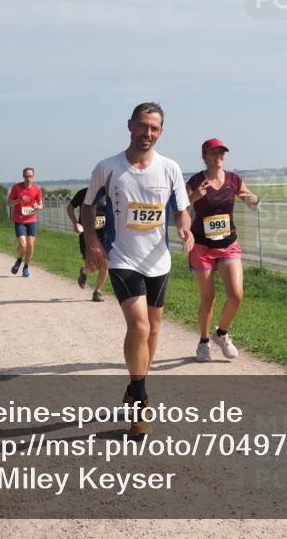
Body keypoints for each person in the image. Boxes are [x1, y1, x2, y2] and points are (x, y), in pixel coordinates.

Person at [81, 102, 193, 439]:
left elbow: (182, 210)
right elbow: (87, 207)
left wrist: (185, 228)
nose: (147, 133)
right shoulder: (108, 167)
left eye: (154, 128)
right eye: (142, 126)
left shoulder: (170, 168)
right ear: (130, 125)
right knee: (139, 325)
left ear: (161, 132)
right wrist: (92, 241)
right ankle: (141, 399)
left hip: (158, 260)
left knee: (153, 330)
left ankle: (135, 386)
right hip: (122, 258)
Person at [186, 139, 259, 362]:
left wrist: (252, 200)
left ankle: (222, 334)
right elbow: (181, 207)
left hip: (228, 245)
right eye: (214, 152)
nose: (219, 156)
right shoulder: (196, 181)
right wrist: (194, 196)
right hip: (202, 246)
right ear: (205, 156)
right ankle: (204, 342)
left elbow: (251, 199)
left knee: (236, 295)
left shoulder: (233, 180)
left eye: (222, 153)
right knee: (209, 298)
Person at [66, 186, 110, 302]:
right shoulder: (83, 193)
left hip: (104, 233)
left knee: (106, 263)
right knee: (93, 266)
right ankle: (84, 271)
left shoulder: (109, 193)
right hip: (87, 233)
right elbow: (70, 208)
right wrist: (75, 224)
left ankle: (97, 292)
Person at [8, 167, 43, 278]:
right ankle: (19, 260)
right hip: (19, 219)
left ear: (33, 176)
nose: (28, 178)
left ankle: (26, 267)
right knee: (23, 245)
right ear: (23, 176)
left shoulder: (37, 188)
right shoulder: (16, 187)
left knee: (31, 245)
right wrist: (19, 200)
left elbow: (41, 204)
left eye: (30, 176)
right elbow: (9, 203)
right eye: (26, 176)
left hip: (31, 219)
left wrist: (37, 206)